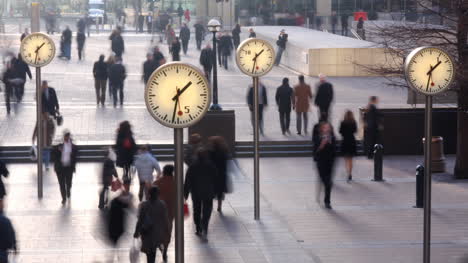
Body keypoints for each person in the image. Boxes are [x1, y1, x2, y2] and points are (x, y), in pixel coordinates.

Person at [184, 148, 217, 240]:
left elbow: (187, 180)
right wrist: (215, 191)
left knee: (196, 210)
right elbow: (216, 179)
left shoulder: (193, 166)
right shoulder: (210, 165)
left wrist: (185, 193)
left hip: (196, 192)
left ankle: (198, 227)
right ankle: (204, 225)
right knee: (207, 210)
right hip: (208, 191)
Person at [134, 186, 170, 263]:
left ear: (149, 194)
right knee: (153, 251)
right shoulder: (162, 205)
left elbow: (140, 220)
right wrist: (167, 230)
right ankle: (161, 254)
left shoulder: (144, 205)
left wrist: (136, 232)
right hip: (157, 233)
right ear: (158, 195)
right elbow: (165, 219)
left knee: (150, 254)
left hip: (147, 233)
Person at [153, 165, 176, 261]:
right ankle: (165, 248)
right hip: (170, 211)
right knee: (168, 230)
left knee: (158, 229)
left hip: (158, 211)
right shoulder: (176, 182)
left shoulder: (157, 182)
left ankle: (159, 243)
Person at [313, 122, 336, 209]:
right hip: (321, 163)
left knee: (328, 183)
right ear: (322, 129)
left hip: (329, 163)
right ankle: (320, 192)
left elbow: (334, 151)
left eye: (328, 127)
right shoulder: (317, 138)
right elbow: (315, 151)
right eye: (325, 127)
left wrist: (330, 143)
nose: (327, 129)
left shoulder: (332, 138)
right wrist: (322, 144)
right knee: (323, 180)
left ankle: (327, 201)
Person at [108, 180, 133, 259]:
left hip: (114, 226)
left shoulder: (114, 202)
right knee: (116, 240)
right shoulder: (120, 204)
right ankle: (116, 253)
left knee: (115, 241)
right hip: (119, 227)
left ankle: (114, 254)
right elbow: (128, 205)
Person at [52, 130, 78, 205]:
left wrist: (74, 167)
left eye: (68, 136)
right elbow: (53, 155)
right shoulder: (59, 145)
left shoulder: (73, 147)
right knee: (61, 184)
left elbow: (75, 158)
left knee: (68, 183)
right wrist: (58, 150)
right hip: (60, 168)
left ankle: (68, 191)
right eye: (65, 136)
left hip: (69, 168)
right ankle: (63, 198)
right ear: (63, 137)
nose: (66, 137)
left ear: (69, 137)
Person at [208, 136, 229, 212]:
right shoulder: (224, 151)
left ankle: (210, 206)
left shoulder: (210, 152)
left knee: (211, 191)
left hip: (213, 174)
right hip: (221, 174)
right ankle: (219, 206)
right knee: (220, 191)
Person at [339, 110, 357, 181]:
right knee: (350, 159)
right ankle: (350, 172)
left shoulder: (343, 122)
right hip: (352, 141)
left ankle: (347, 172)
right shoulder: (354, 122)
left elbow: (340, 131)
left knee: (346, 159)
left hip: (345, 141)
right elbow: (355, 131)